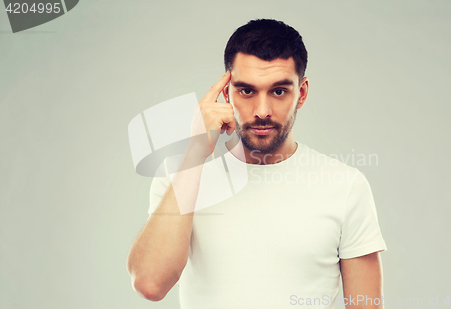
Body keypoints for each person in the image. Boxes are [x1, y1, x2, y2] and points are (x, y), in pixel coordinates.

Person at [126, 19, 387, 309]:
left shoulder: (346, 186)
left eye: (278, 91)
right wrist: (195, 153)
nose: (262, 111)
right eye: (247, 91)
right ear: (226, 93)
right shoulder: (183, 174)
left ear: (301, 93)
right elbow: (150, 284)